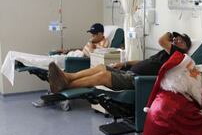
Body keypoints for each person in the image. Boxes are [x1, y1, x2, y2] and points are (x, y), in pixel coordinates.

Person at [47, 31, 192, 93]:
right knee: (101, 67)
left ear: (186, 48)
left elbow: (161, 40)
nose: (176, 40)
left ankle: (66, 85)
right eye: (176, 39)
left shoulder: (179, 55)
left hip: (136, 81)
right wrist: (125, 63)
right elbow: (146, 62)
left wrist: (170, 34)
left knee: (103, 76)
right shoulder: (166, 53)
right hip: (129, 72)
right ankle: (68, 77)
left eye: (181, 41)